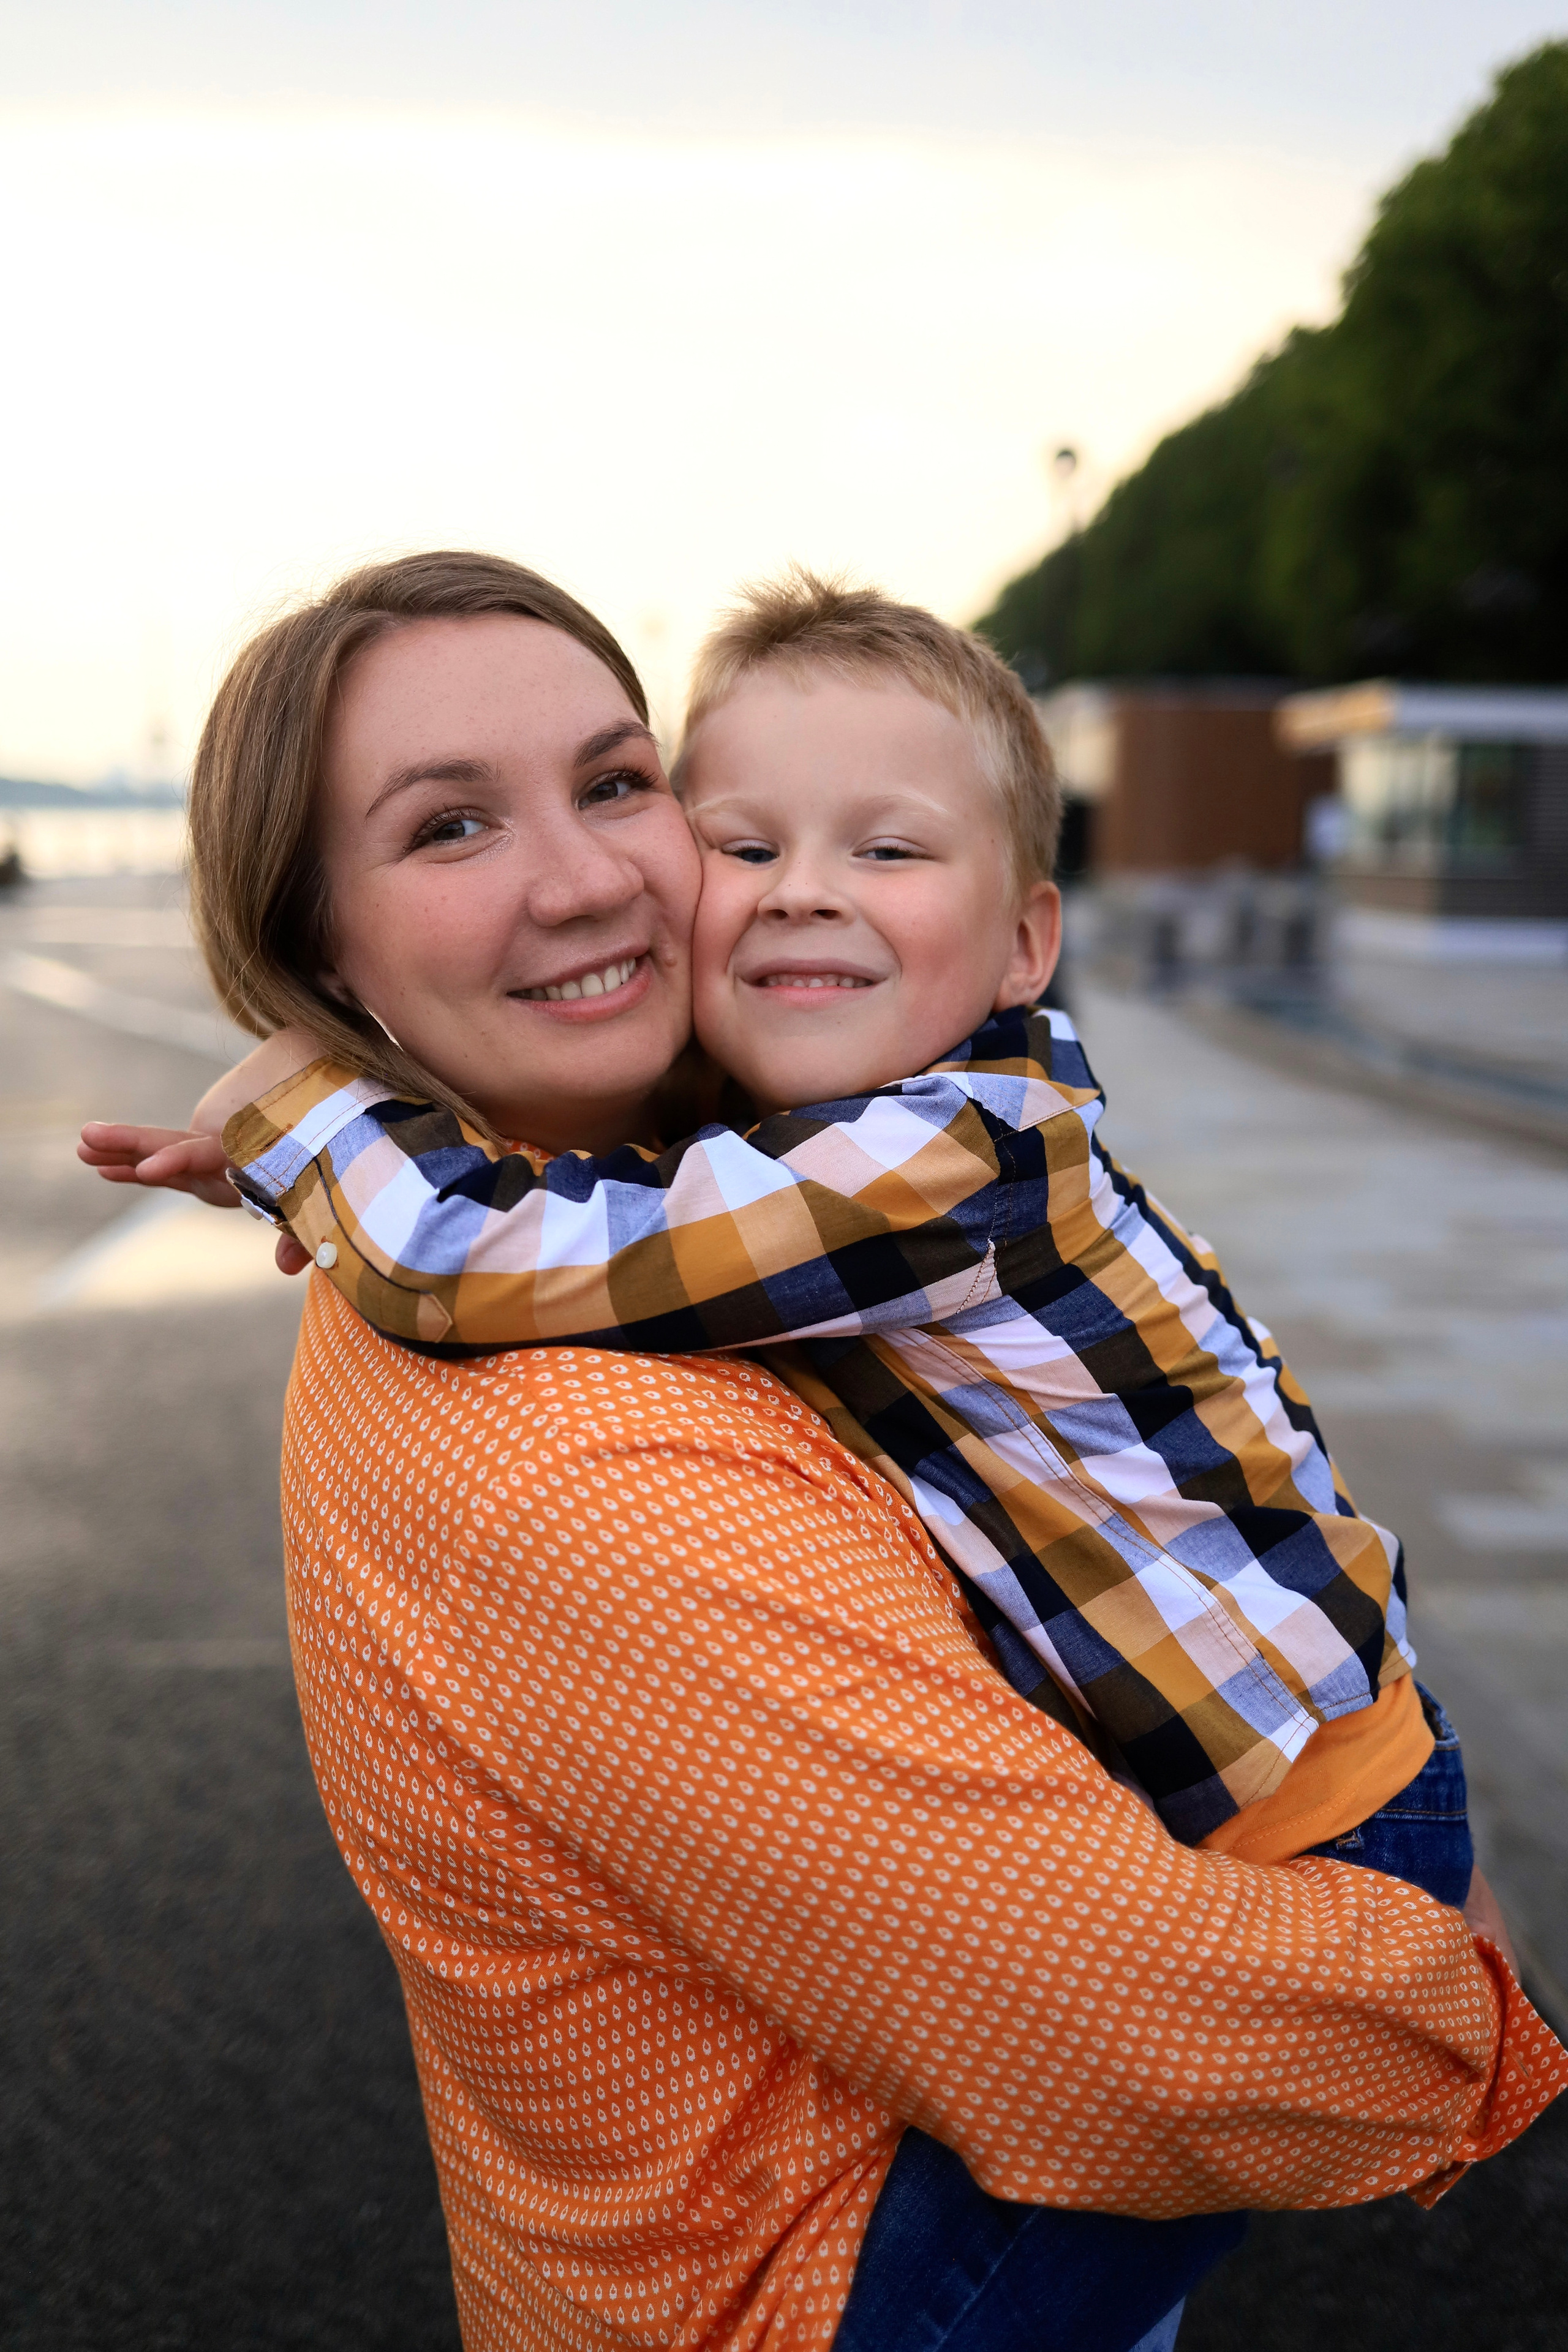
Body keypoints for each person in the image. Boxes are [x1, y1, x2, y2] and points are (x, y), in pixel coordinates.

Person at [81, 553, 1564, 2352]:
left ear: (1025, 935)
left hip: (1286, 1790)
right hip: (807, 2264)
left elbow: (491, 1243)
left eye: (616, 785)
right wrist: (1457, 2007)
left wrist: (314, 1119)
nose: (586, 877)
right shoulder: (589, 1452)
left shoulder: (864, 1171)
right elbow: (1128, 2040)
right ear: (320, 940)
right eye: (451, 828)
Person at [165, 573, 1477, 1899]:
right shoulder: (837, 1137)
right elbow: (656, 1164)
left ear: (1025, 947)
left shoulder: (944, 1161)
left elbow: (461, 1251)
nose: (800, 894)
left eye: (887, 851)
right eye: (743, 850)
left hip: (1316, 1811)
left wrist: (309, 1117)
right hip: (1269, 1766)